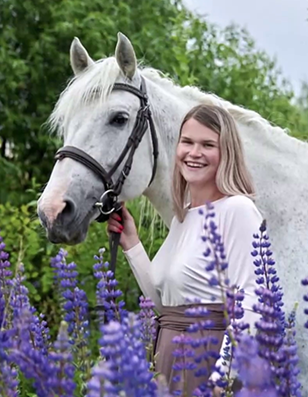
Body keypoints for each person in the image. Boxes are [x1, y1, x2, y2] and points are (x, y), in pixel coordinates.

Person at [107, 103, 264, 394]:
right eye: (187, 142)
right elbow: (164, 302)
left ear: (226, 152)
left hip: (206, 359)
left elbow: (253, 298)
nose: (194, 153)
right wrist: (132, 243)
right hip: (169, 357)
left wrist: (223, 378)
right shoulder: (185, 217)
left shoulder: (238, 209)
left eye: (207, 144)